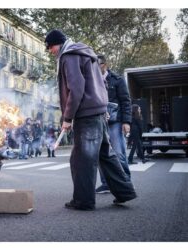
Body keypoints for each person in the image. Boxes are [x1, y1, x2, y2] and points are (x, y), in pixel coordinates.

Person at [45, 29, 137, 210]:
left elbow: (76, 89)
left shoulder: (69, 56)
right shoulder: (86, 53)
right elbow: (102, 83)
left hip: (85, 114)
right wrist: (103, 107)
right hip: (97, 112)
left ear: (57, 44)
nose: (50, 51)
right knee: (106, 155)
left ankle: (83, 201)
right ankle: (125, 191)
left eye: (50, 47)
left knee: (81, 159)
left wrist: (67, 117)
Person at [95, 55, 132, 194]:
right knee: (101, 153)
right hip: (99, 122)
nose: (94, 68)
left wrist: (126, 122)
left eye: (97, 65)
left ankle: (126, 182)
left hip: (116, 122)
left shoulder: (118, 80)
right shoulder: (92, 81)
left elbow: (126, 101)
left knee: (119, 153)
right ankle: (106, 184)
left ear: (104, 65)